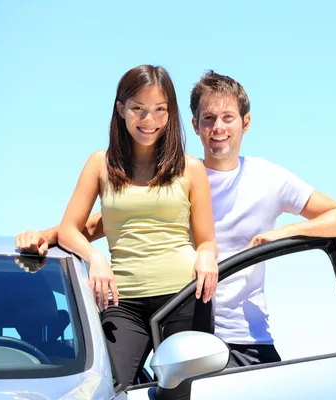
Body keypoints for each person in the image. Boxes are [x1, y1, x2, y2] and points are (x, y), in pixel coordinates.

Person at [16, 70, 336, 368]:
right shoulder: (174, 176)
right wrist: (45, 237)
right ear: (194, 125)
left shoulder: (268, 178)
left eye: (228, 117)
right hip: (176, 311)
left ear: (246, 122)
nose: (218, 128)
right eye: (208, 119)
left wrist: (286, 233)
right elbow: (102, 223)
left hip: (243, 334)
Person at [55, 64, 219, 388]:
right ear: (121, 109)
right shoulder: (99, 164)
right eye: (139, 109)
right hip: (123, 302)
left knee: (183, 394)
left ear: (170, 113)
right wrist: (95, 258)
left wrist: (207, 255)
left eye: (160, 110)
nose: (149, 121)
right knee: (108, 388)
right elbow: (68, 230)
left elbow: (207, 241)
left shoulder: (191, 168)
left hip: (183, 295)